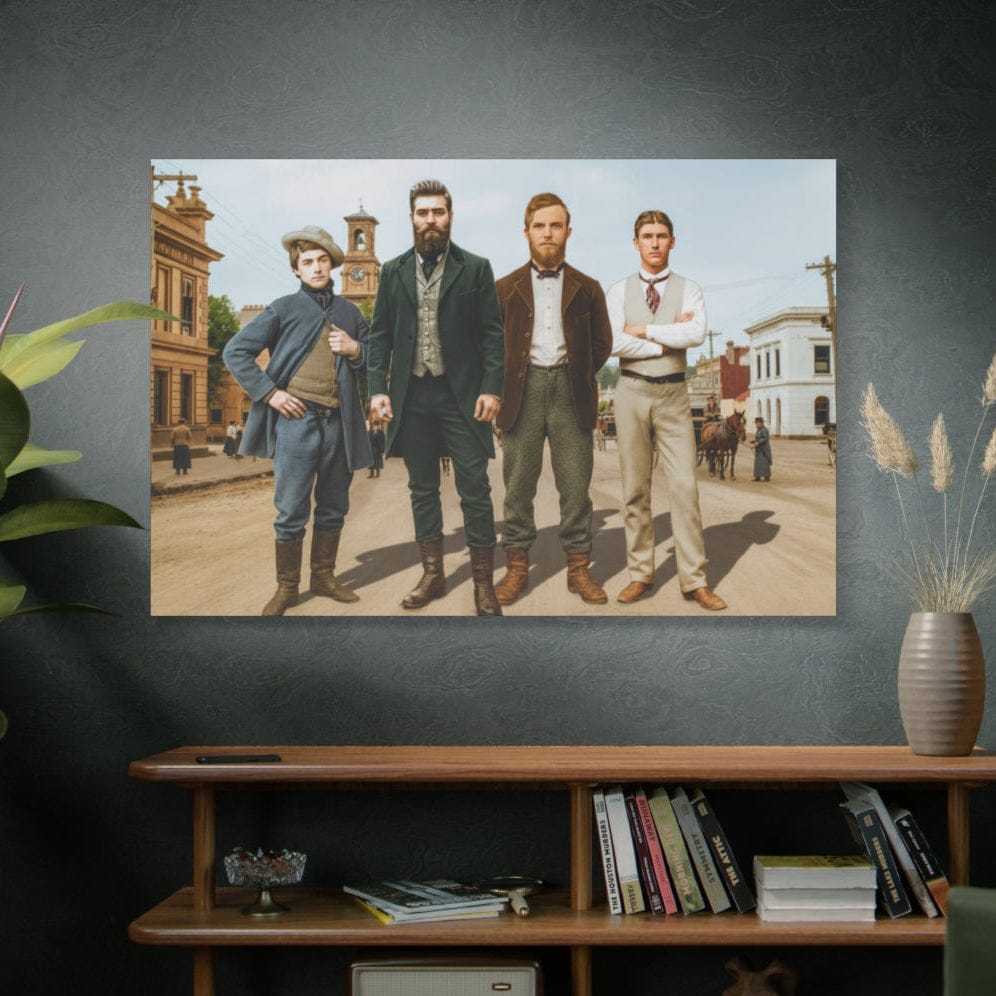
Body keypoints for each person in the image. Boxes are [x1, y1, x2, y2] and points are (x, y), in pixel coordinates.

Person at [367, 179, 505, 616]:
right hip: (412, 394)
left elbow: (492, 335)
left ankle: (483, 583)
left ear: (450, 216)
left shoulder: (476, 268)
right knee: (421, 488)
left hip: (460, 394)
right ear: (411, 218)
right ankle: (433, 573)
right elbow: (380, 336)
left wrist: (491, 387)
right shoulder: (391, 271)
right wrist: (377, 390)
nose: (431, 220)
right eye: (423, 213)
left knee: (475, 488)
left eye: (438, 212)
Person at [223, 224, 373, 616]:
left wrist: (356, 349)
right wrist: (271, 393)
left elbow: (378, 361)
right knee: (290, 510)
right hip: (297, 423)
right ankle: (287, 588)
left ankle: (323, 577)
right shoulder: (283, 308)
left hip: (339, 424)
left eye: (323, 260)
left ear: (333, 265)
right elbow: (235, 351)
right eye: (308, 262)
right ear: (296, 270)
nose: (317, 267)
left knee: (334, 505)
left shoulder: (350, 313)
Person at [493, 192, 613, 606]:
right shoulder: (503, 288)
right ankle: (517, 570)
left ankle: (579, 571)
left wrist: (576, 376)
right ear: (526, 231)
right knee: (517, 487)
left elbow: (602, 345)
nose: (547, 233)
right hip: (520, 394)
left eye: (555, 225)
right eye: (539, 225)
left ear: (568, 231)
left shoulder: (589, 288)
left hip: (570, 393)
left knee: (576, 488)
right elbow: (490, 347)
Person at [606, 209, 727, 611]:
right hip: (631, 392)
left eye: (661, 235)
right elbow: (612, 343)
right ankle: (641, 574)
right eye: (647, 236)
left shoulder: (690, 289)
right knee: (636, 490)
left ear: (672, 241)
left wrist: (641, 330)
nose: (654, 242)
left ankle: (695, 581)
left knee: (684, 488)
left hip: (675, 395)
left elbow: (693, 333)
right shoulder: (618, 291)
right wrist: (666, 339)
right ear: (635, 242)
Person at [751, 416, 773, 481]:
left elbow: (765, 438)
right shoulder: (758, 429)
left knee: (764, 463)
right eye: (756, 423)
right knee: (758, 463)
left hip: (764, 449)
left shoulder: (764, 430)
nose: (756, 424)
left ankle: (767, 477)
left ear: (761, 423)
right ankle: (758, 476)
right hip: (759, 449)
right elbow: (758, 438)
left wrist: (758, 442)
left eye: (757, 423)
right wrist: (754, 441)